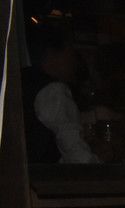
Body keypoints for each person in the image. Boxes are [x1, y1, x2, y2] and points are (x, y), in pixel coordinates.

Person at [21, 21, 100, 164]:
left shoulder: (22, 81)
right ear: (52, 54)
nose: (74, 61)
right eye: (70, 53)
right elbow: (76, 153)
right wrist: (100, 165)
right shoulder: (53, 91)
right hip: (45, 175)